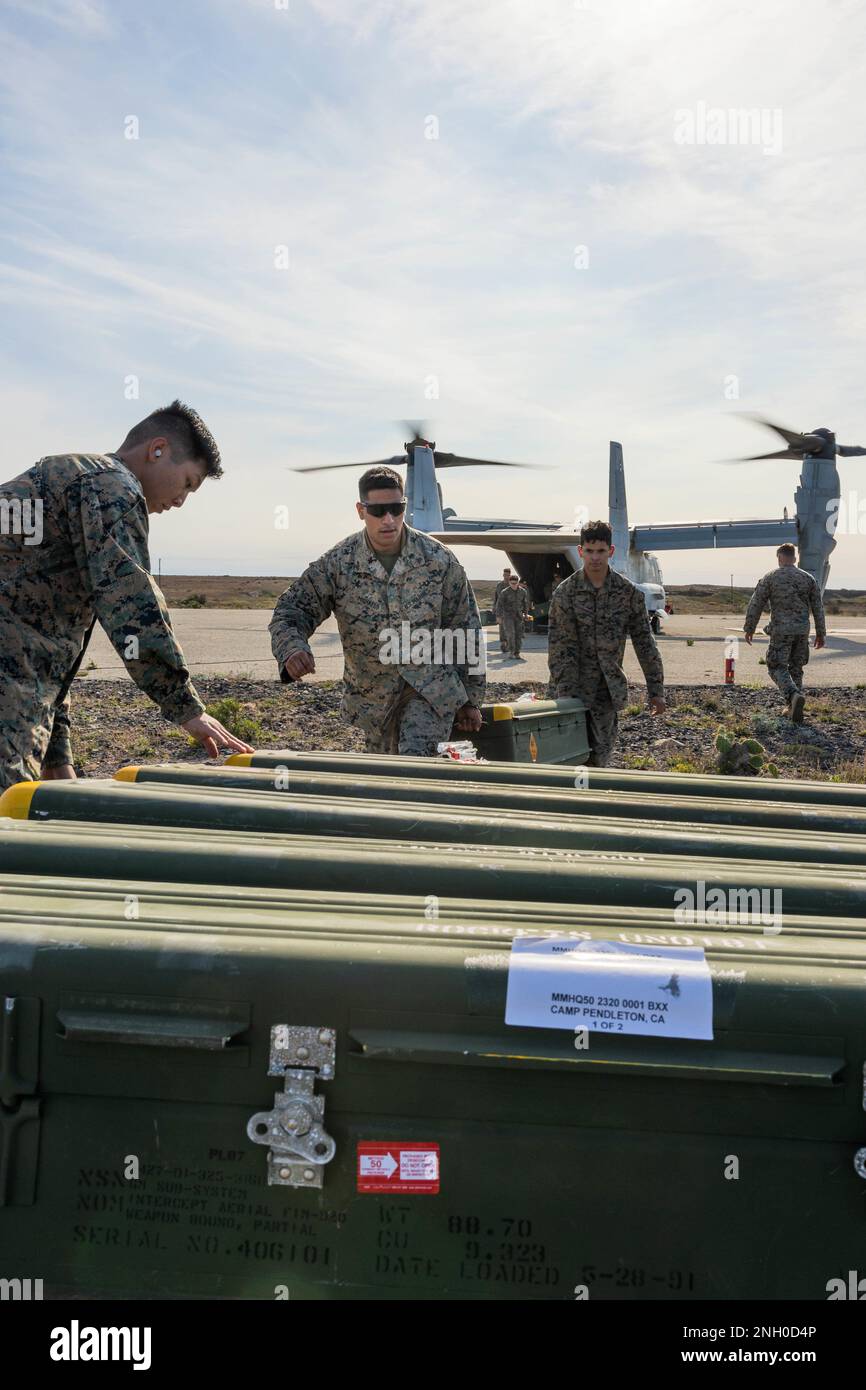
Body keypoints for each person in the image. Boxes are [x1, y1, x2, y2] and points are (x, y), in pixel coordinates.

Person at [0, 400, 252, 790]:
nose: (182, 501)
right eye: (187, 483)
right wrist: (184, 705)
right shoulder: (112, 485)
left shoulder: (77, 479)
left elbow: (44, 637)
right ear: (157, 450)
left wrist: (56, 754)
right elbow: (131, 601)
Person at [270, 465, 485, 756]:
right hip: (373, 701)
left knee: (414, 765)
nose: (389, 519)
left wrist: (471, 699)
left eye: (396, 509)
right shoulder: (339, 563)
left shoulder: (438, 560)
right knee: (383, 776)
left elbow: (467, 628)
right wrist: (292, 648)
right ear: (361, 510)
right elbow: (290, 611)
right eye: (378, 510)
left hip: (430, 691)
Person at [547, 520, 665, 766]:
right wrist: (564, 696)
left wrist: (656, 690)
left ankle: (594, 802)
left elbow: (645, 644)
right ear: (580, 552)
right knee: (567, 757)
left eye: (601, 551)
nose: (595, 558)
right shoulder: (565, 593)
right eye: (589, 551)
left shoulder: (628, 593)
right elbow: (560, 648)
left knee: (599, 759)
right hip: (572, 690)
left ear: (610, 551)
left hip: (606, 692)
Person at [743, 543, 826, 723]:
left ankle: (793, 696)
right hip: (802, 631)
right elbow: (818, 607)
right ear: (795, 558)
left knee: (775, 666)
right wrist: (821, 633)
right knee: (796, 667)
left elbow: (756, 604)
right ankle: (793, 709)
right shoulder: (808, 578)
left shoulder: (771, 577)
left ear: (779, 558)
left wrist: (749, 628)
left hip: (781, 630)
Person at [495, 574, 530, 659]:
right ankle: (511, 651)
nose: (514, 585)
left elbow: (525, 603)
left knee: (519, 635)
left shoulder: (523, 592)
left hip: (518, 616)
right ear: (509, 583)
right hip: (508, 616)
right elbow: (499, 605)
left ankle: (517, 653)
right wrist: (498, 616)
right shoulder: (505, 592)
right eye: (512, 583)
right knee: (510, 634)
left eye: (515, 583)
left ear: (518, 582)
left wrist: (526, 614)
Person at [494, 566, 513, 649]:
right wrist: (494, 606)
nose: (506, 576)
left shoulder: (512, 585)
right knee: (501, 626)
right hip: (501, 609)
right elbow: (496, 597)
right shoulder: (499, 585)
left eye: (507, 575)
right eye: (505, 575)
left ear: (510, 575)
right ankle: (503, 642)